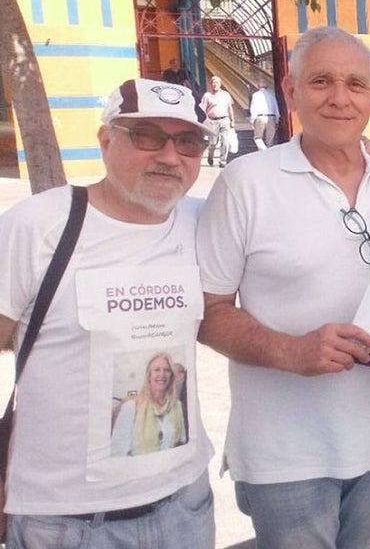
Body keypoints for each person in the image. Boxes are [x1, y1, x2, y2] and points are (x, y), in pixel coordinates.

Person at [195, 25, 370, 548]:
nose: (339, 97)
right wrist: (290, 351)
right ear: (292, 90)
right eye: (322, 80)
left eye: (355, 84)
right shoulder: (246, 182)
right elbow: (207, 311)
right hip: (284, 453)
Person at [0, 78, 215, 546]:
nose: (169, 156)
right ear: (105, 140)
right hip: (62, 522)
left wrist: (359, 154)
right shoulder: (38, 226)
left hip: (184, 507)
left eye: (188, 141)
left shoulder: (206, 222)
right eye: (147, 136)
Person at [111, 352, 189, 457]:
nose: (162, 374)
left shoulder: (177, 407)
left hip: (170, 470)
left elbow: (182, 442)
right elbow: (118, 452)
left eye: (166, 370)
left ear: (171, 376)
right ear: (149, 375)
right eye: (157, 370)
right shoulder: (131, 408)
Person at [199, 75, 234, 167]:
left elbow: (230, 108)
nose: (215, 84)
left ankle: (223, 161)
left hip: (224, 120)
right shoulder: (207, 95)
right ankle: (210, 157)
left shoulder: (226, 95)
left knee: (225, 141)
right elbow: (202, 109)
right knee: (212, 143)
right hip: (212, 121)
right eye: (213, 83)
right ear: (210, 84)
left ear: (220, 84)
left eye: (217, 82)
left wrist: (232, 120)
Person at [248, 80, 280, 150]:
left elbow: (253, 108)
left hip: (260, 117)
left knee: (258, 138)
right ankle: (269, 153)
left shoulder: (255, 95)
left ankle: (263, 151)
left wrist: (252, 120)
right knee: (270, 139)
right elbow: (276, 108)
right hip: (271, 117)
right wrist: (277, 120)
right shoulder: (271, 95)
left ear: (258, 86)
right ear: (267, 87)